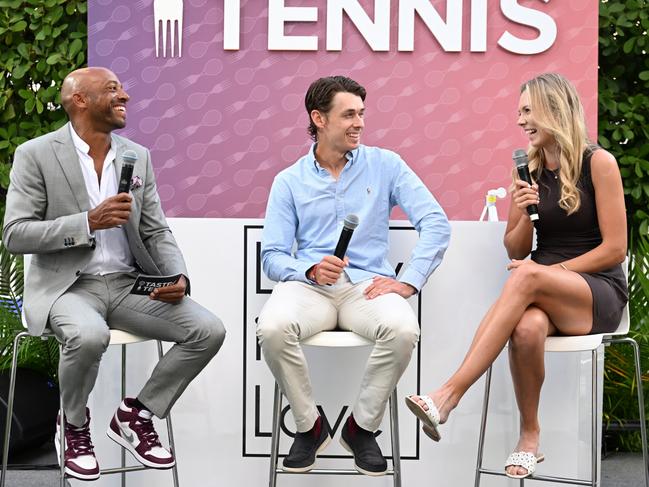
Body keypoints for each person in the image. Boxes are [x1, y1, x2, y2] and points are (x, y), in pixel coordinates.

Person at [2, 67, 226, 481]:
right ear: (79, 100)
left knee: (207, 330)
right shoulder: (36, 154)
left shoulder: (136, 155)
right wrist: (87, 221)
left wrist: (177, 276)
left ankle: (136, 414)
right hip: (68, 287)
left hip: (127, 284)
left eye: (122, 87)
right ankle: (72, 425)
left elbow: (155, 228)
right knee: (90, 335)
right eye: (112, 89)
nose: (125, 95)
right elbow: (15, 234)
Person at [405, 73, 627, 479]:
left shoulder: (600, 163)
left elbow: (615, 249)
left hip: (596, 292)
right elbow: (515, 250)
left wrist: (547, 273)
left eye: (527, 110)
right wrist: (524, 209)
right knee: (526, 327)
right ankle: (529, 438)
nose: (520, 120)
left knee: (525, 278)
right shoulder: (528, 170)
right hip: (542, 288)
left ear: (552, 110)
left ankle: (448, 394)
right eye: (519, 112)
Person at [257, 75, 451, 476]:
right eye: (348, 115)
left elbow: (435, 222)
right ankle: (309, 426)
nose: (359, 123)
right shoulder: (289, 181)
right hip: (309, 289)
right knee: (272, 327)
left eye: (362, 113)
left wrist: (409, 280)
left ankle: (361, 427)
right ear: (319, 118)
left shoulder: (386, 164)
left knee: (401, 329)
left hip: (367, 285)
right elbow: (273, 256)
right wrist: (308, 268)